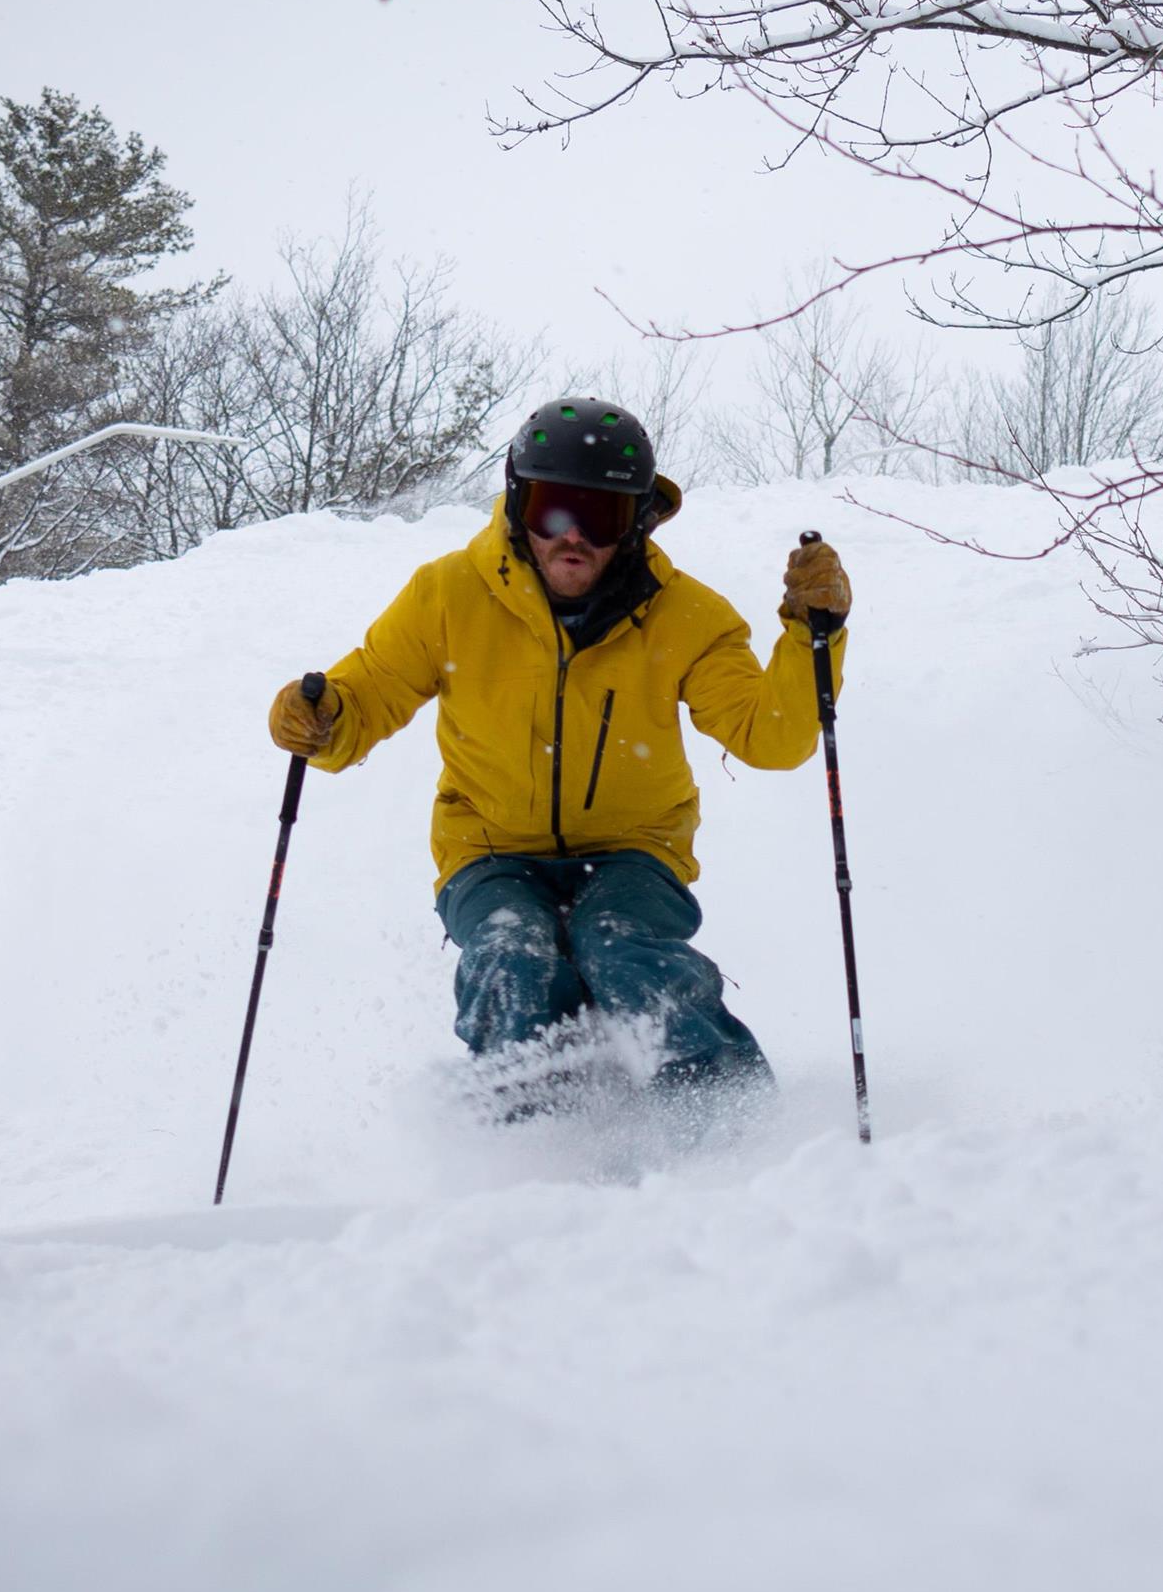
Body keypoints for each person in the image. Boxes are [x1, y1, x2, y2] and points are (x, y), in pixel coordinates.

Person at [265, 398, 850, 1108]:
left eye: (601, 516)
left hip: (636, 851)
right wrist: (321, 719)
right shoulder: (447, 596)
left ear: (637, 522)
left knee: (621, 946)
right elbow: (367, 695)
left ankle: (728, 1114)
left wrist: (812, 637)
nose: (573, 536)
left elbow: (772, 737)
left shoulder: (687, 617)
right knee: (511, 955)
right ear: (520, 506)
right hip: (489, 851)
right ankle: (530, 1131)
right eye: (554, 510)